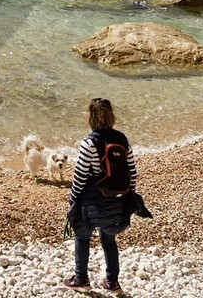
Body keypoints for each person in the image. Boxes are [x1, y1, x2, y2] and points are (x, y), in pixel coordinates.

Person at [63, 97, 137, 294]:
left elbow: (79, 177)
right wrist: (128, 196)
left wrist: (72, 200)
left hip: (92, 201)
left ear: (90, 116)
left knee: (82, 236)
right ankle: (112, 282)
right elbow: (132, 172)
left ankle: (81, 278)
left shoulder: (89, 143)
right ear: (111, 114)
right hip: (117, 200)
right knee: (109, 240)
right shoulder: (122, 139)